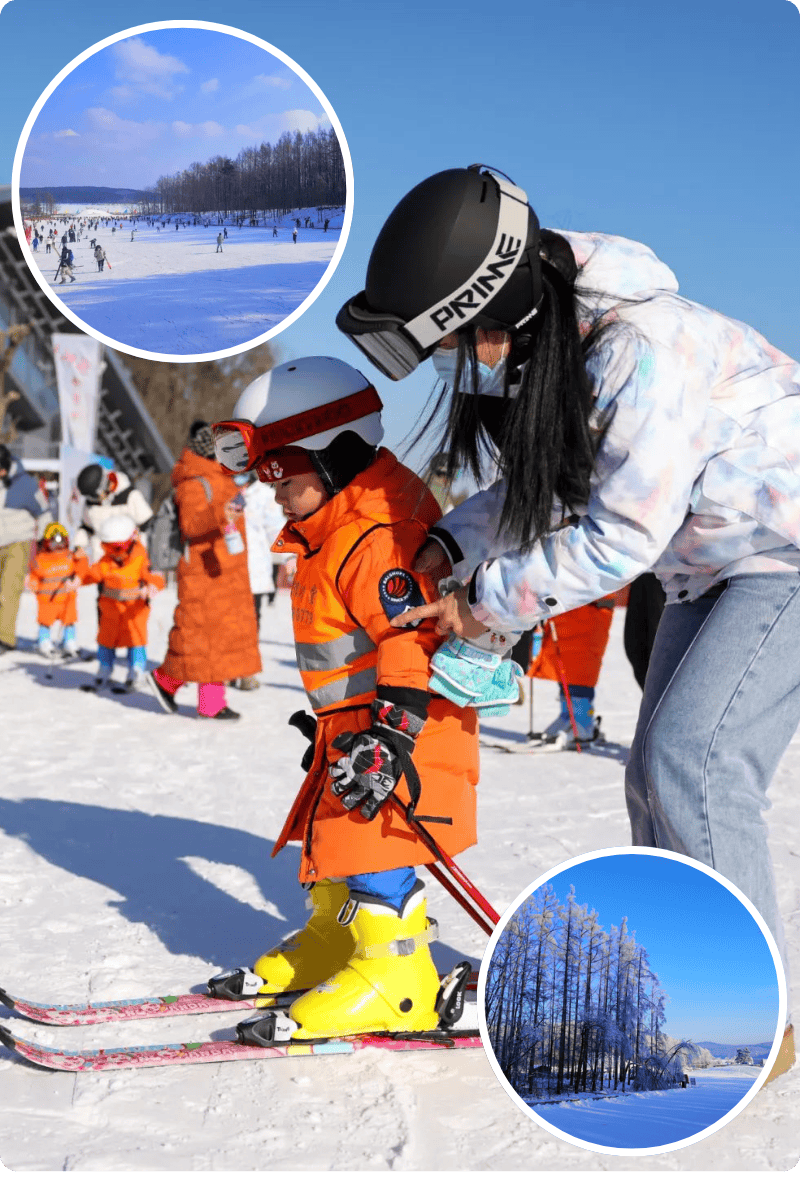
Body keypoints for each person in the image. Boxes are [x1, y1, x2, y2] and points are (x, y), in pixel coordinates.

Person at [336, 164, 800, 1079]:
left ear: (496, 304)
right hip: (710, 563)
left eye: (463, 338)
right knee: (653, 774)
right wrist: (447, 545)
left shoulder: (643, 348)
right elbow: (539, 484)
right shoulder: (570, 339)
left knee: (697, 759)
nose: (466, 358)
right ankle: (688, 978)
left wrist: (482, 607)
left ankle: (763, 1011)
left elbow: (619, 531)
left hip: (781, 550)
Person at [209, 356, 479, 1040]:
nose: (270, 490)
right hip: (358, 727)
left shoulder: (376, 531)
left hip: (407, 730)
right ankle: (338, 940)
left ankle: (397, 979)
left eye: (281, 472)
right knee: (334, 836)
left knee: (376, 845)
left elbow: (406, 639)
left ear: (337, 451)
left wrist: (390, 734)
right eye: (262, 473)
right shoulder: (335, 523)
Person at [148, 421, 261, 721]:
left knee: (217, 640)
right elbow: (192, 525)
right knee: (200, 638)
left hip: (224, 572)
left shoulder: (222, 479)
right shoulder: (194, 481)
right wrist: (219, 513)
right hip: (203, 572)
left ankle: (194, 694)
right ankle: (171, 683)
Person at [81, 514, 164, 691]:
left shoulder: (141, 558)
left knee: (136, 639)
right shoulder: (106, 561)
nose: (113, 553)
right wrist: (77, 576)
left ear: (131, 540)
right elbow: (92, 574)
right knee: (106, 639)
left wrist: (153, 586)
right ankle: (105, 667)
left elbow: (155, 576)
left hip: (135, 610)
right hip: (110, 609)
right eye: (108, 548)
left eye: (118, 548)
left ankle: (136, 670)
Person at [0, 444, 52, 653]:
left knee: (8, 590)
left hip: (17, 542)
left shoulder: (26, 485)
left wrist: (46, 542)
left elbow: (44, 512)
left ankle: (4, 638)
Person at [25, 521, 86, 658]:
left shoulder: (70, 556)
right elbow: (34, 574)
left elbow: (82, 566)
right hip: (48, 599)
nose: (57, 545)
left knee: (69, 620)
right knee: (45, 621)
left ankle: (70, 642)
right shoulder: (40, 559)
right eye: (53, 541)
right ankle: (44, 642)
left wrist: (81, 560)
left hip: (67, 598)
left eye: (60, 540)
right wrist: (33, 584)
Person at [74, 463, 153, 563]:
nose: (95, 500)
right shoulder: (91, 506)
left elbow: (147, 522)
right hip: (103, 561)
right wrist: (79, 545)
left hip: (130, 556)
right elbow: (87, 528)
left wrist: (136, 540)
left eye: (95, 496)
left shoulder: (129, 496)